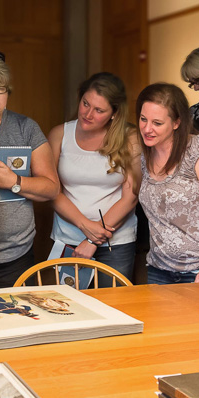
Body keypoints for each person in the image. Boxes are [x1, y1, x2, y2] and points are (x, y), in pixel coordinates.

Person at [0, 51, 58, 288]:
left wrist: (15, 181)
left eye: (0, 88)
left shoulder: (25, 128)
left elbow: (51, 188)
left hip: (13, 257)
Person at [137, 83, 199, 284]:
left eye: (157, 123)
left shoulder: (198, 151)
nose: (147, 129)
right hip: (159, 268)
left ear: (176, 123)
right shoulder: (146, 154)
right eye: (143, 119)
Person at [50, 72, 141, 283]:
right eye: (85, 104)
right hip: (67, 240)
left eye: (99, 110)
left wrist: (93, 240)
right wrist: (84, 225)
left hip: (115, 244)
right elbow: (51, 190)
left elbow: (131, 197)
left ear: (114, 114)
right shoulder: (59, 134)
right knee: (66, 310)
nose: (88, 114)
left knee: (116, 310)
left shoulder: (131, 138)